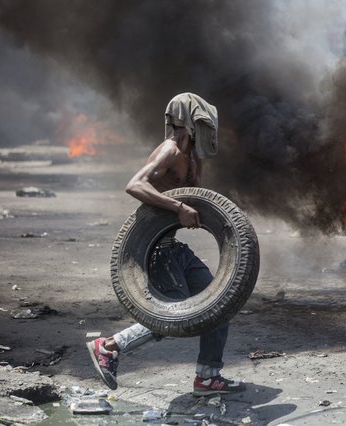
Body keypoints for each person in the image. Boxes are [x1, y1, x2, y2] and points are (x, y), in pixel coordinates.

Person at [86, 93, 245, 396]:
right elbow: (135, 185)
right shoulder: (169, 151)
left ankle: (207, 378)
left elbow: (197, 196)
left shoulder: (192, 158)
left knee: (220, 306)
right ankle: (107, 347)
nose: (208, 130)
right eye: (202, 123)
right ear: (189, 122)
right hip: (156, 251)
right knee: (172, 315)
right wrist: (178, 208)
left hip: (175, 250)